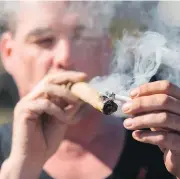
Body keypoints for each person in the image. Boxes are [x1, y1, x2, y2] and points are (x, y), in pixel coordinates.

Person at [0, 1, 179, 179]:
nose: (65, 57)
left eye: (81, 37)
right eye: (44, 40)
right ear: (8, 52)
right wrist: (21, 169)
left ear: (105, 47)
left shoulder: (161, 144)